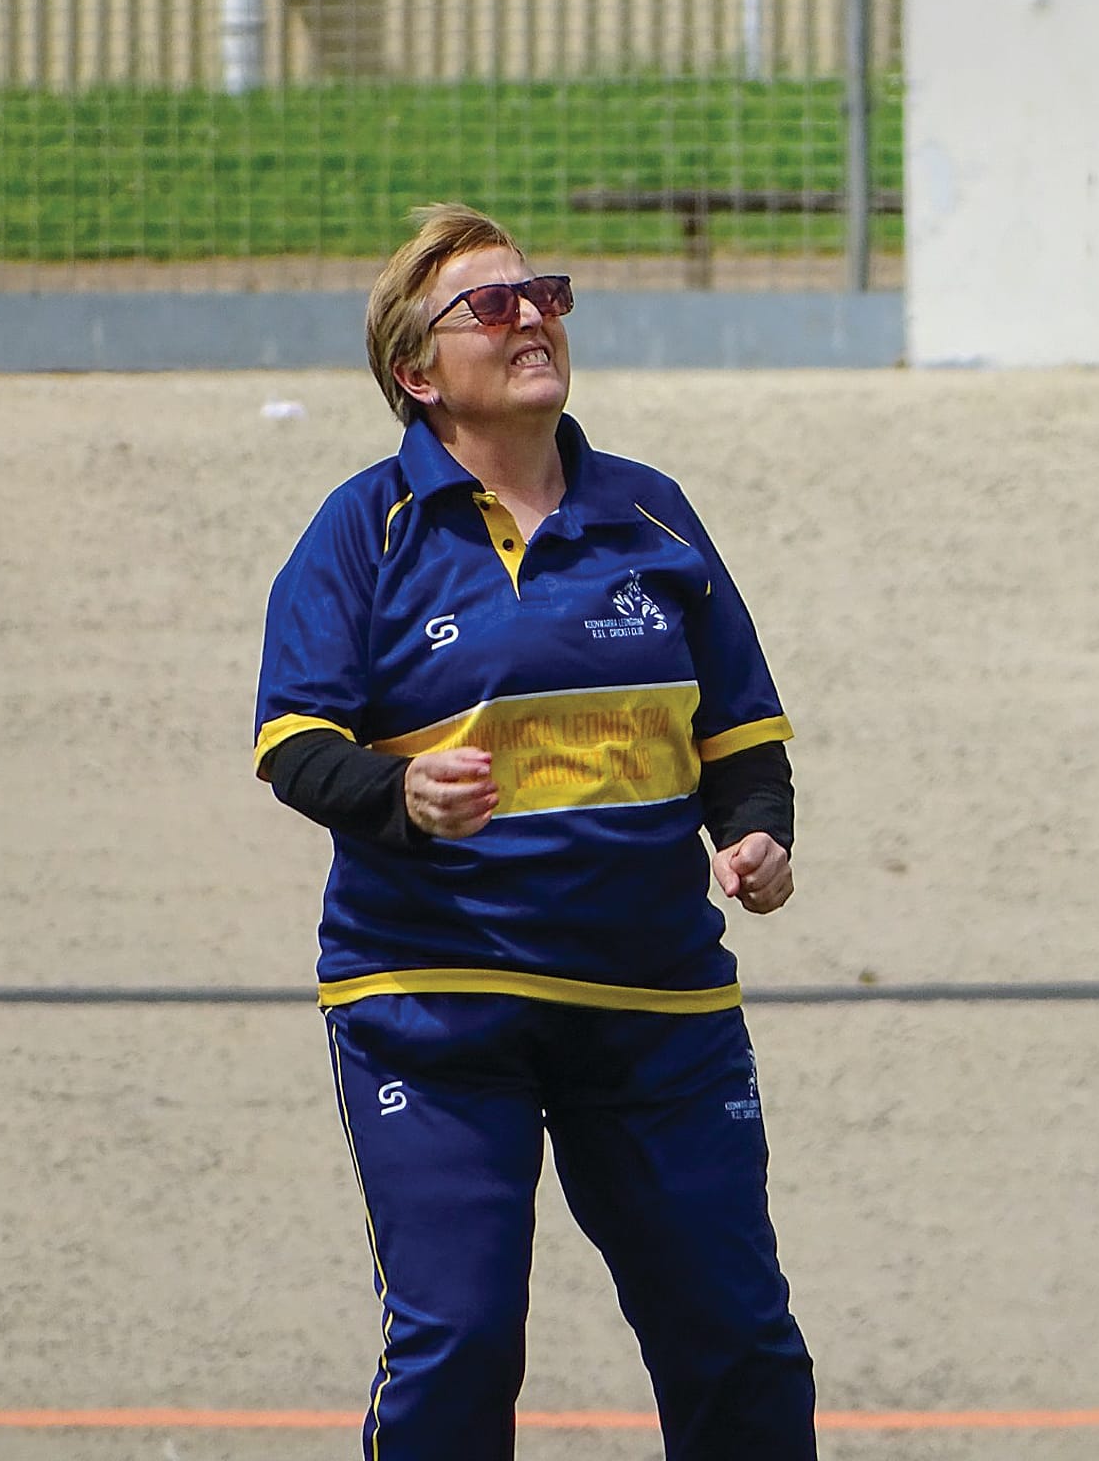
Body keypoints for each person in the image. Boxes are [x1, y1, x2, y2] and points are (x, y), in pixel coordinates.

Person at [253, 202, 816, 1460]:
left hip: (657, 1013)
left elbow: (741, 731)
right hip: (439, 1009)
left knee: (739, 1343)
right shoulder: (366, 528)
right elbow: (292, 741)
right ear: (417, 371)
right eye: (494, 305)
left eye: (545, 293)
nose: (534, 320)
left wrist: (759, 834)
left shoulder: (654, 514)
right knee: (461, 1345)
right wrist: (396, 798)